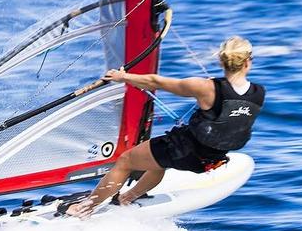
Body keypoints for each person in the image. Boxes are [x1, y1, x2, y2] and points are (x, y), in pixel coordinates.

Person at [65, 36, 265, 218]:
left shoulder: (205, 87)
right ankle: (126, 198)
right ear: (248, 62)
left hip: (183, 150)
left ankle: (85, 208)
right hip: (211, 160)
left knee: (126, 161)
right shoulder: (258, 93)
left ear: (222, 62)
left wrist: (123, 77)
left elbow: (156, 81)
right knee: (158, 161)